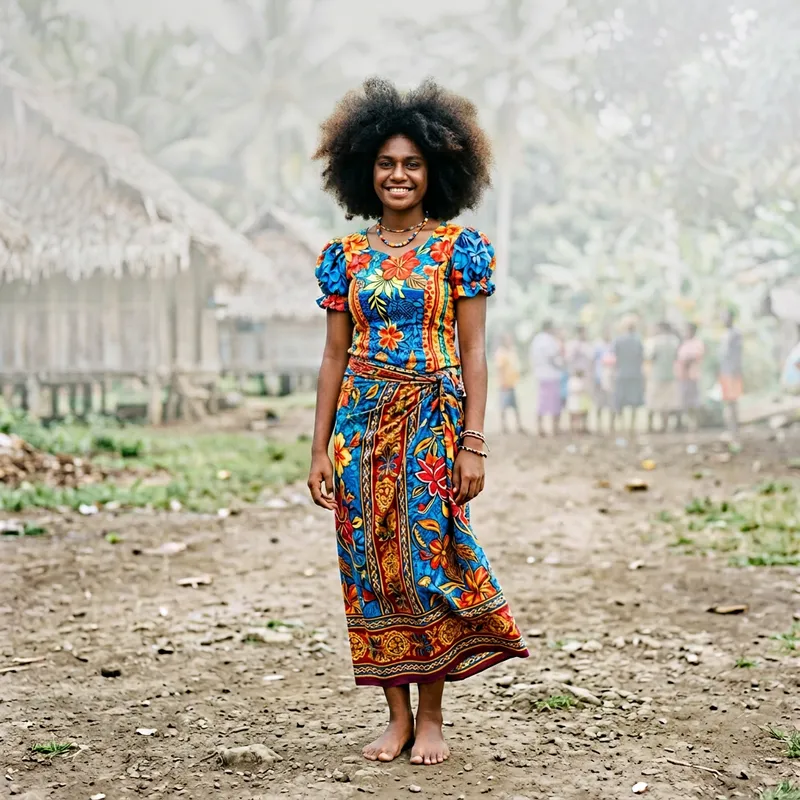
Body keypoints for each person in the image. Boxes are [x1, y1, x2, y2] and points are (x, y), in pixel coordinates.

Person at [307, 79, 528, 767]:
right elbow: (334, 357)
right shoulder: (344, 257)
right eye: (385, 163)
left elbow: (474, 355)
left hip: (432, 426)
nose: (398, 175)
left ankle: (432, 717)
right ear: (363, 172)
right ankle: (394, 717)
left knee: (427, 566)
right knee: (370, 570)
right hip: (361, 434)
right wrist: (318, 449)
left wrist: (474, 443)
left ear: (435, 171)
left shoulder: (460, 250)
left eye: (411, 164)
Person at [529, 320, 564, 435]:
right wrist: (561, 365)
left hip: (540, 375)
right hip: (551, 375)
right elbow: (553, 357)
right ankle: (555, 428)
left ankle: (540, 427)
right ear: (549, 328)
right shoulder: (549, 340)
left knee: (542, 402)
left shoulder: (536, 340)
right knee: (554, 403)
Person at [612, 317, 645, 433]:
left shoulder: (619, 340)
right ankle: (631, 426)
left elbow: (614, 357)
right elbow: (641, 357)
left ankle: (622, 426)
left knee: (620, 400)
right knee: (633, 401)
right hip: (635, 374)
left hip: (622, 373)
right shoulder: (638, 341)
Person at [645, 321, 680, 433]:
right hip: (670, 375)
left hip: (657, 375)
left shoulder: (655, 341)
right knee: (667, 403)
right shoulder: (675, 341)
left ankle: (650, 426)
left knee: (653, 401)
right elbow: (677, 357)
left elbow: (650, 357)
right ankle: (664, 426)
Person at [718, 310, 743, 439]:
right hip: (725, 372)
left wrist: (734, 371)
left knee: (733, 401)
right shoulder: (725, 334)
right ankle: (731, 430)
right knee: (728, 401)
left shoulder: (736, 334)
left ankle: (734, 430)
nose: (723, 320)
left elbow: (736, 355)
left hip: (732, 373)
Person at [676, 322, 706, 430]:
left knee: (694, 401)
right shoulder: (684, 343)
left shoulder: (697, 343)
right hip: (683, 376)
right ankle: (688, 423)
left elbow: (694, 357)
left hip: (692, 376)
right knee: (684, 401)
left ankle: (696, 423)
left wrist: (685, 362)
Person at [494, 333, 524, 434]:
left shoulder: (511, 351)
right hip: (505, 384)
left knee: (515, 406)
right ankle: (504, 426)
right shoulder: (501, 353)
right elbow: (500, 369)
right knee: (504, 406)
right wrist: (503, 382)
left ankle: (519, 425)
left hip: (512, 383)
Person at [592, 328, 615, 433]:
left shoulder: (614, 345)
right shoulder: (598, 345)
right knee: (599, 402)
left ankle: (611, 425)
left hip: (611, 378)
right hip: (599, 377)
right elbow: (593, 361)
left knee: (611, 402)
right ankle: (598, 425)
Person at [567, 369, 591, 434]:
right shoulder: (573, 380)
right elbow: (574, 390)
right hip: (574, 401)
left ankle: (579, 429)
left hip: (580, 401)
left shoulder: (581, 380)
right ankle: (574, 429)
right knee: (574, 416)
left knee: (580, 415)